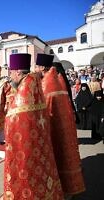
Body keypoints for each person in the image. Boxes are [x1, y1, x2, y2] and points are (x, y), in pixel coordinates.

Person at [4, 54, 63, 199]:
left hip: (27, 145)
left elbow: (13, 121)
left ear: (18, 71)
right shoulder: (35, 84)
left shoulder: (24, 90)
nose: (10, 76)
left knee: (28, 174)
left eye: (11, 72)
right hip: (39, 141)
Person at [35, 54, 85, 196]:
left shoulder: (47, 83)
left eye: (37, 66)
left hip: (53, 125)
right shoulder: (56, 78)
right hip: (63, 124)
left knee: (57, 157)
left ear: (43, 67)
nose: (35, 69)